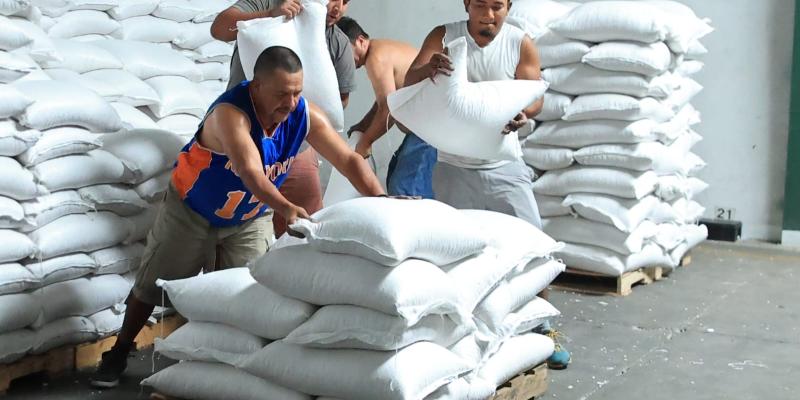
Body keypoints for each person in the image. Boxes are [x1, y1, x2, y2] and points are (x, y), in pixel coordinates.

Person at [90, 46, 386, 388]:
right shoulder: (230, 114)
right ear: (255, 86)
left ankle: (234, 371)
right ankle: (119, 351)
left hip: (249, 215)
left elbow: (348, 160)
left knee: (252, 295)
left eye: (296, 93)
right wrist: (285, 207)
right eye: (281, 94)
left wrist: (381, 199)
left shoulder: (303, 115)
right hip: (193, 210)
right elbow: (250, 172)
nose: (289, 103)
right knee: (153, 285)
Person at [404, 0, 570, 369]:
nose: (489, 15)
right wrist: (429, 67)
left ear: (508, 8)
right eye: (481, 5)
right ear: (466, 4)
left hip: (504, 165)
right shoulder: (445, 37)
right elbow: (408, 80)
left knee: (535, 250)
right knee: (454, 257)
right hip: (452, 166)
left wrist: (525, 112)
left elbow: (535, 94)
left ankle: (544, 329)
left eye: (498, 7)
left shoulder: (519, 42)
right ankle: (457, 337)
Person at [211, 0, 357, 238]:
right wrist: (269, 14)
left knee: (306, 228)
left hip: (295, 151)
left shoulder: (338, 42)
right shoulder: (269, 3)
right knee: (230, 229)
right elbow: (219, 28)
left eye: (346, 1)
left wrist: (295, 113)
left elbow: (340, 100)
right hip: (241, 142)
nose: (337, 7)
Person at [336, 17, 437, 199]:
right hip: (424, 127)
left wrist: (365, 142)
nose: (342, 60)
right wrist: (362, 126)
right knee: (395, 178)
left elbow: (389, 109)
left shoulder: (376, 57)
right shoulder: (380, 51)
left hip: (429, 128)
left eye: (344, 52)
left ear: (360, 40)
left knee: (404, 188)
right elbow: (383, 103)